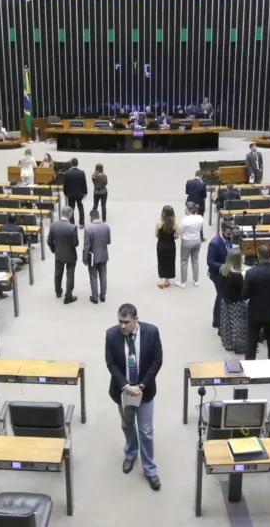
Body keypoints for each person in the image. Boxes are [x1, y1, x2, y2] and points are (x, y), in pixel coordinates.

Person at [105, 303, 163, 491]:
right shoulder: (111, 335)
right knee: (127, 424)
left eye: (127, 322)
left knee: (145, 431)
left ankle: (150, 469)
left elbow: (157, 360)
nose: (123, 326)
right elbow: (111, 363)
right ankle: (131, 453)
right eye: (120, 321)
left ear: (136, 320)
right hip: (123, 391)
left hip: (144, 391)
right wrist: (125, 386)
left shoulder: (151, 332)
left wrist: (142, 385)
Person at [217, 247, 248, 353]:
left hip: (226, 301)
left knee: (228, 324)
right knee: (239, 326)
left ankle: (228, 343)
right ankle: (240, 346)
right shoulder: (237, 276)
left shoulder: (223, 270)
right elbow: (243, 291)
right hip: (237, 304)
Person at [47, 207, 79, 304]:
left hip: (59, 254)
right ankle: (68, 296)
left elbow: (49, 241)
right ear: (70, 215)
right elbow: (75, 243)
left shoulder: (53, 226)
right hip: (70, 255)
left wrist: (54, 250)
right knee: (70, 275)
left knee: (58, 273)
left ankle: (58, 291)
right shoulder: (72, 227)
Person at [207, 221, 235, 329]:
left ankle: (220, 319)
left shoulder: (228, 239)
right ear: (222, 231)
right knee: (221, 295)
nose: (230, 236)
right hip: (216, 273)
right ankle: (217, 321)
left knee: (222, 295)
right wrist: (224, 266)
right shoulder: (215, 243)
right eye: (228, 233)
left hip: (227, 272)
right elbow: (210, 262)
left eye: (231, 233)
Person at [83, 209, 111, 304]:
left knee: (93, 277)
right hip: (103, 255)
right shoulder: (106, 227)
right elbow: (108, 242)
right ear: (99, 216)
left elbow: (86, 246)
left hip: (92, 257)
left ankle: (95, 297)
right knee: (103, 276)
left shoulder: (88, 228)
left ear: (91, 217)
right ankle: (103, 296)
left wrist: (85, 259)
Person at [177, 203, 204, 289]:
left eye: (186, 209)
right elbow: (200, 228)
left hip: (187, 241)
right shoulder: (200, 218)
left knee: (184, 261)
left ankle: (183, 282)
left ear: (190, 210)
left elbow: (180, 230)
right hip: (197, 240)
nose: (185, 210)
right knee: (195, 260)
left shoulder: (185, 220)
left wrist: (183, 236)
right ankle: (196, 281)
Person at [155, 205, 177, 289]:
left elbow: (156, 235)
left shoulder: (159, 223)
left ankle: (161, 280)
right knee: (170, 262)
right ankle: (167, 280)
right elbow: (177, 236)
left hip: (161, 244)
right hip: (171, 245)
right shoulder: (175, 224)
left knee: (161, 261)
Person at [63, 158, 88, 227]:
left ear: (71, 164)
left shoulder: (67, 173)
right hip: (79, 193)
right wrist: (85, 192)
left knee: (71, 208)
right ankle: (82, 223)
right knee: (80, 207)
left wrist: (65, 192)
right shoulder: (81, 173)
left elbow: (65, 184)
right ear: (77, 164)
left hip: (70, 194)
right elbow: (84, 183)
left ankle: (72, 222)